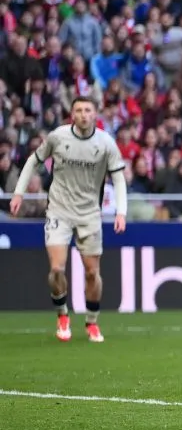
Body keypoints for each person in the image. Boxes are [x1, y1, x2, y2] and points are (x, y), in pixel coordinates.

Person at [9, 96, 127, 343]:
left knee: (93, 273)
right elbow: (33, 160)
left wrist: (121, 211)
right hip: (59, 211)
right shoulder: (58, 137)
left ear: (95, 114)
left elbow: (118, 177)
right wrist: (19, 192)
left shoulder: (105, 143)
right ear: (72, 114)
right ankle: (62, 315)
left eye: (88, 110)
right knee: (56, 270)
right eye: (78, 110)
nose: (83, 114)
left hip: (89, 214)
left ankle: (92, 322)